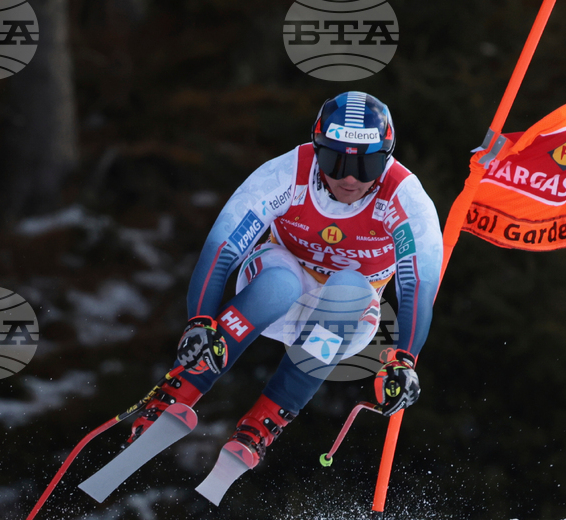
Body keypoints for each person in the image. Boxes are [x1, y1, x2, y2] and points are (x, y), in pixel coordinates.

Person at [129, 91, 442, 478]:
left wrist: (403, 361)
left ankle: (261, 425)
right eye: (335, 161)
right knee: (280, 281)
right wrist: (199, 322)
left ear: (388, 157)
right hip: (277, 289)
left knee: (350, 289)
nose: (349, 178)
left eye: (367, 166)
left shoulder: (405, 197)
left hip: (343, 319)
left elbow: (418, 286)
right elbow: (222, 248)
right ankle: (179, 389)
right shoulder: (287, 174)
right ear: (317, 149)